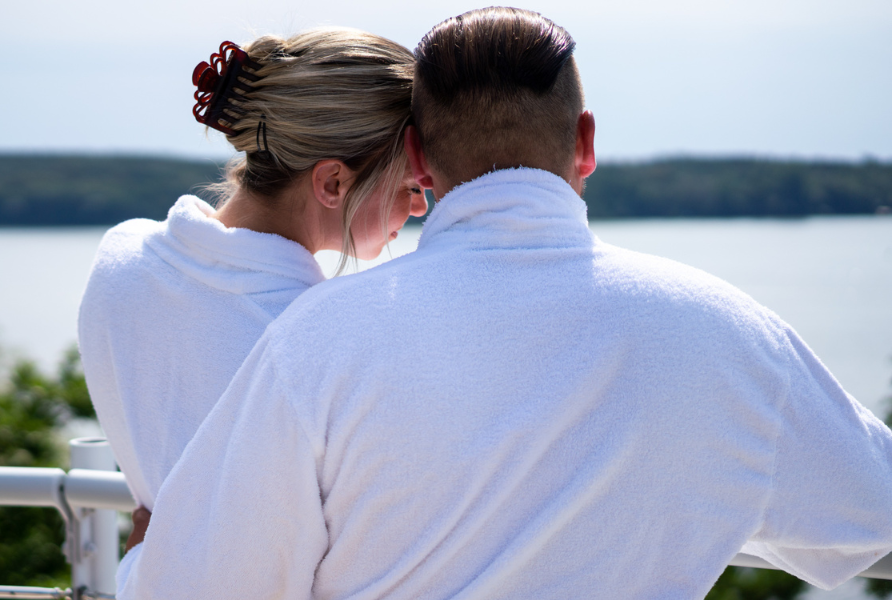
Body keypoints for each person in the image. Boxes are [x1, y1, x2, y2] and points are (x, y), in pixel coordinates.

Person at [116, 7, 892, 600]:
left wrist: (147, 556)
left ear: (417, 156)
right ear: (585, 143)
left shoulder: (314, 343)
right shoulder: (729, 334)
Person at [76, 28, 426, 546]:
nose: (420, 208)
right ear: (333, 183)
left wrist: (154, 560)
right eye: (411, 186)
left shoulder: (121, 258)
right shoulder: (320, 339)